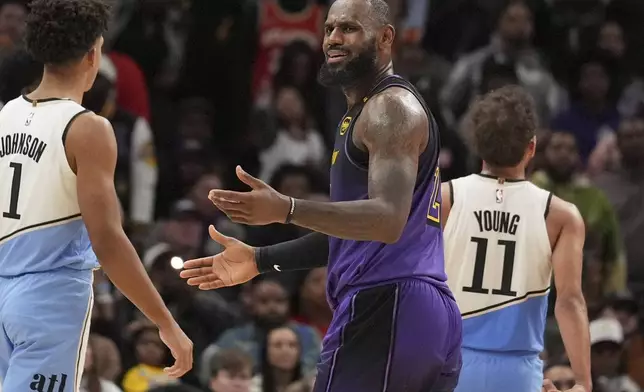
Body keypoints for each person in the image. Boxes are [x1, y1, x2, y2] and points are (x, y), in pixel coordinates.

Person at [181, 0, 462, 391]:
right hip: (419, 311)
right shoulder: (369, 110)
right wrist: (262, 259)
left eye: (348, 28)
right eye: (329, 28)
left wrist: (288, 208)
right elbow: (356, 230)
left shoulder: (389, 109)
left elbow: (387, 219)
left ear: (385, 37)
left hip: (387, 303)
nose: (333, 38)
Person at [0, 1, 192, 390]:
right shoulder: (88, 128)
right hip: (48, 298)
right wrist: (165, 322)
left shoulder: (7, 114)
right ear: (93, 55)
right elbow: (107, 240)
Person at [438, 86, 592, 392]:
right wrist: (583, 382)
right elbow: (570, 300)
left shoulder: (442, 198)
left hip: (449, 361)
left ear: (478, 147)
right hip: (517, 373)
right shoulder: (561, 215)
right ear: (532, 147)